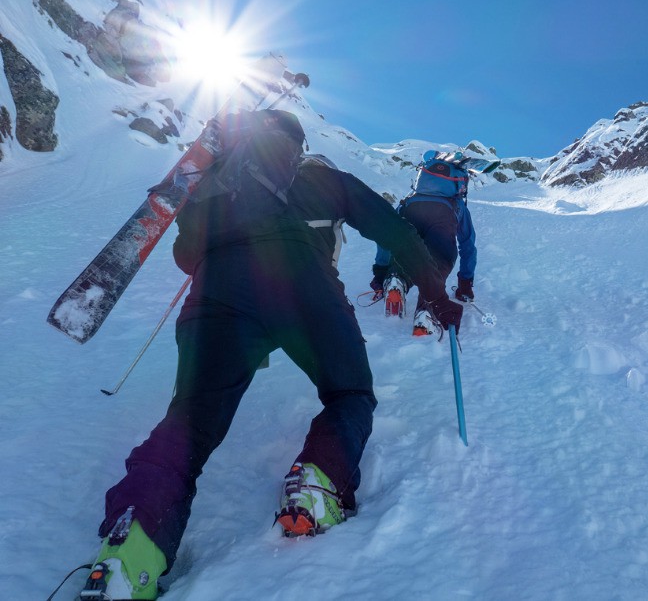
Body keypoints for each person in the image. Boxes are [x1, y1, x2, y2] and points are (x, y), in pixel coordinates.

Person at [82, 111, 463, 600]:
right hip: (305, 286)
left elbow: (184, 255)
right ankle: (317, 483)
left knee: (190, 420)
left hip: (216, 295)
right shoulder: (321, 178)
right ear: (296, 147)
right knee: (349, 393)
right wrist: (435, 294)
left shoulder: (212, 182)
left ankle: (132, 545)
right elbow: (393, 229)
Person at [371, 147, 478, 337]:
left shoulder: (409, 199)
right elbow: (468, 245)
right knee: (438, 262)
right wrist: (465, 284)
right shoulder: (458, 204)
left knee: (407, 253)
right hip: (444, 219)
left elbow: (387, 235)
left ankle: (397, 279)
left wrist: (381, 273)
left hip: (411, 212)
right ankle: (427, 309)